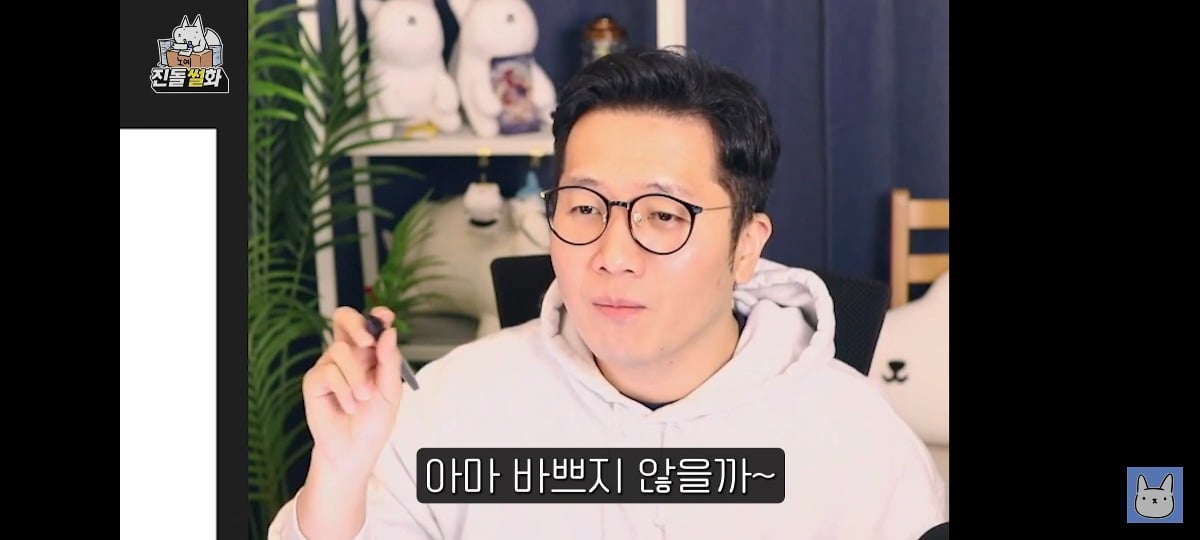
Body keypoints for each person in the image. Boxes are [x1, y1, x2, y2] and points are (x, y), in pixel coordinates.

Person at [268, 47, 947, 539]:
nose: (613, 257)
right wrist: (341, 473)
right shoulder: (452, 403)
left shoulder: (856, 438)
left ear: (746, 245)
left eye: (664, 215)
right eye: (585, 207)